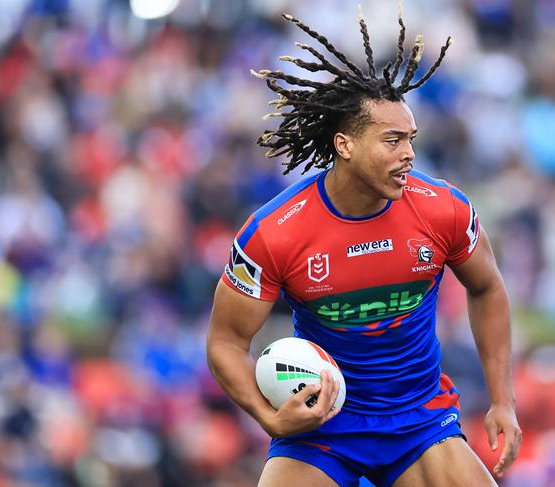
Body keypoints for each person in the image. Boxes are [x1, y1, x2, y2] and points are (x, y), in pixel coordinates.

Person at [207, 6, 521, 487]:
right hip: (321, 429)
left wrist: (502, 400)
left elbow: (488, 288)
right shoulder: (274, 231)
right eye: (392, 141)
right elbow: (226, 343)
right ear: (345, 145)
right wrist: (268, 418)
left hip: (419, 422)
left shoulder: (444, 210)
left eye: (411, 139)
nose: (409, 154)